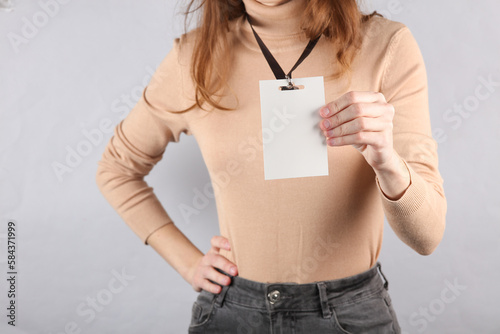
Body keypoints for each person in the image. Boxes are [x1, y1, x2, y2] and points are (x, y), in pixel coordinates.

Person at [95, 0, 447, 332]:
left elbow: (427, 238)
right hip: (231, 313)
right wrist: (187, 262)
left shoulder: (385, 46)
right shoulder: (193, 57)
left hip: (349, 315)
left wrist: (387, 161)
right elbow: (116, 169)